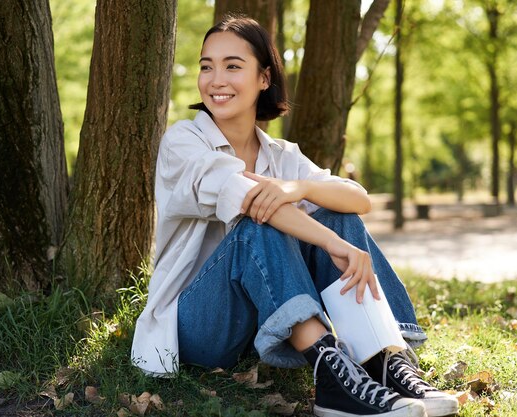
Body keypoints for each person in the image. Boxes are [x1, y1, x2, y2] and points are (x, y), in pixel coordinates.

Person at [132, 15, 458, 417]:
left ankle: (385, 360)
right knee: (259, 222)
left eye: (233, 66)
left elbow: (358, 199)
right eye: (206, 66)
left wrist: (300, 187)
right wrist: (333, 244)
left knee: (336, 214)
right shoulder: (184, 141)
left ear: (264, 78)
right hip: (199, 324)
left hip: (261, 323)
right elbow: (247, 197)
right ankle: (331, 375)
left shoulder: (282, 155)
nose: (216, 79)